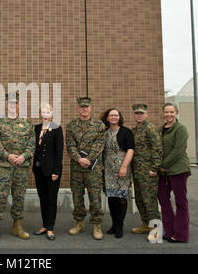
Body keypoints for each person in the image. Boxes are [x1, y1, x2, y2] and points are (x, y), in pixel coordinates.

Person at [0, 92, 35, 243]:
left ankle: (17, 226)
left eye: (15, 103)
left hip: (21, 167)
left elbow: (31, 145)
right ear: (6, 104)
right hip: (3, 167)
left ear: (18, 105)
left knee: (19, 197)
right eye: (10, 103)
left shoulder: (27, 123)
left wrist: (24, 156)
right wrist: (7, 155)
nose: (13, 105)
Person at [66, 97, 105, 240]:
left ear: (91, 108)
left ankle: (97, 225)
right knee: (77, 196)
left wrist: (88, 159)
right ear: (78, 108)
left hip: (93, 168)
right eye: (82, 107)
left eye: (87, 107)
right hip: (77, 167)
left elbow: (99, 144)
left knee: (95, 197)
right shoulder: (71, 125)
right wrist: (78, 159)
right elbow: (70, 145)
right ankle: (79, 222)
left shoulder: (99, 125)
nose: (84, 109)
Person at [158, 102, 191, 243]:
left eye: (172, 112)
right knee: (163, 200)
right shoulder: (161, 129)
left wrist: (163, 164)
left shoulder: (181, 129)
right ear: (163, 113)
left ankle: (181, 235)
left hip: (178, 170)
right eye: (166, 112)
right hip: (163, 172)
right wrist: (160, 167)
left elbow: (179, 150)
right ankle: (169, 231)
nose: (169, 114)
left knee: (181, 202)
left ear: (176, 113)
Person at [100, 108, 135, 238]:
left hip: (122, 169)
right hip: (108, 170)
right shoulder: (104, 132)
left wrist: (124, 167)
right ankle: (114, 224)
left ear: (119, 117)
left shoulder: (126, 132)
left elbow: (130, 150)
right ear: (107, 118)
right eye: (111, 115)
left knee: (121, 199)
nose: (114, 117)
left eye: (116, 115)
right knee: (112, 198)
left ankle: (120, 225)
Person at [32, 103, 63, 241]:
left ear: (51, 114)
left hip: (52, 171)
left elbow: (59, 152)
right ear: (40, 114)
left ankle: (50, 228)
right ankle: (44, 225)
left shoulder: (56, 128)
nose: (45, 115)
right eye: (43, 112)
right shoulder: (36, 128)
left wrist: (56, 171)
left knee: (51, 199)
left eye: (48, 112)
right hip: (38, 170)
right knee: (43, 199)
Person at [130, 103, 162, 236]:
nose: (139, 115)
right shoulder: (134, 131)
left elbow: (158, 149)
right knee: (140, 199)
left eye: (141, 113)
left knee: (150, 201)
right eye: (137, 113)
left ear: (146, 114)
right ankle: (145, 224)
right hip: (137, 171)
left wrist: (154, 168)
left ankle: (156, 230)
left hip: (148, 171)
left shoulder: (150, 129)